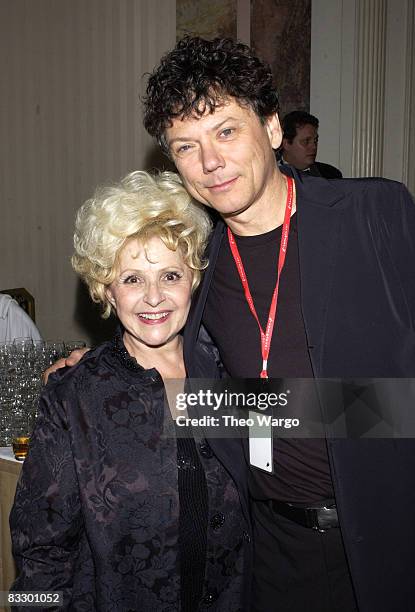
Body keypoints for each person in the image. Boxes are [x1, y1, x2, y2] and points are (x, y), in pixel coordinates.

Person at [47, 37, 415, 611]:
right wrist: (98, 373)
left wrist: (279, 407)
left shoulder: (376, 215)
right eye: (186, 146)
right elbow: (179, 357)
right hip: (267, 553)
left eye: (226, 131)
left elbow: (393, 409)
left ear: (271, 128)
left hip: (385, 541)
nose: (210, 162)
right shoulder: (202, 264)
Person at [10, 171, 251, 611]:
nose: (154, 297)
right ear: (106, 288)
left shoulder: (234, 370)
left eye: (171, 275)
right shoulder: (74, 397)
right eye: (133, 279)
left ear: (194, 280)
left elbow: (363, 415)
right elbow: (38, 554)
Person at [278, 110, 343, 178]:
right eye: (306, 141)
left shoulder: (332, 175)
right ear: (286, 144)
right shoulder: (268, 174)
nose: (314, 147)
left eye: (315, 140)